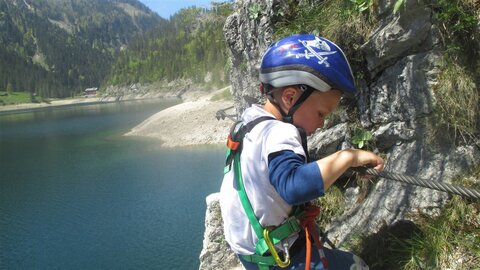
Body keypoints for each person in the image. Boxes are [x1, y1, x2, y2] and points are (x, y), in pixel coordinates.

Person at [219, 34, 384, 270]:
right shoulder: (280, 133)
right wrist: (348, 157)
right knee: (357, 265)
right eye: (321, 113)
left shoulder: (249, 121)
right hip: (283, 259)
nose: (323, 124)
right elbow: (293, 186)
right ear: (290, 97)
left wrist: (345, 170)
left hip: (252, 254)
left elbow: (275, 171)